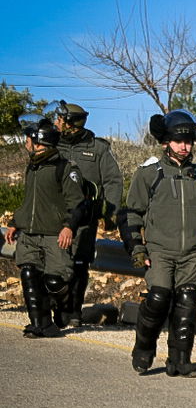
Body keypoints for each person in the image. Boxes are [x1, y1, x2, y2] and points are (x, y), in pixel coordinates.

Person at [119, 109, 196, 376]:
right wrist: (137, 248)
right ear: (165, 142)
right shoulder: (149, 174)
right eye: (178, 141)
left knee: (187, 305)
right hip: (159, 251)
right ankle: (144, 348)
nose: (184, 146)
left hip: (192, 254)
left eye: (188, 141)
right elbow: (131, 215)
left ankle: (180, 361)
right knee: (159, 297)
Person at [6, 116, 87, 338]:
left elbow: (77, 202)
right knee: (29, 273)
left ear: (37, 140)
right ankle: (41, 324)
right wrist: (15, 223)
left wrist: (69, 227)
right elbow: (30, 202)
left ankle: (65, 306)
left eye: (28, 138)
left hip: (55, 234)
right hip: (30, 234)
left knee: (54, 281)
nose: (25, 142)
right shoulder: (32, 166)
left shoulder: (65, 168)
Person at [51, 100, 123, 323]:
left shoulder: (98, 148)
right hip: (55, 218)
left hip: (85, 219)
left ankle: (74, 311)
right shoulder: (52, 144)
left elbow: (113, 180)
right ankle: (58, 310)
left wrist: (111, 212)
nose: (56, 122)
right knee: (55, 266)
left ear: (70, 123)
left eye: (59, 119)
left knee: (79, 265)